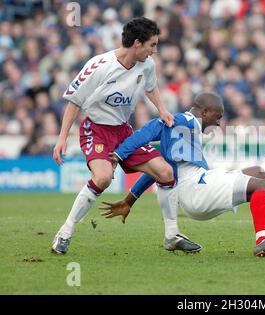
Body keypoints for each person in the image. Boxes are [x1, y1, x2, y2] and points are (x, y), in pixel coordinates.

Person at [101, 92, 265, 257]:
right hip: (197, 188)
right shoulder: (184, 120)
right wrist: (119, 154)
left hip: (195, 188)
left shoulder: (182, 134)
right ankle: (264, 239)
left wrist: (130, 199)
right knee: (262, 186)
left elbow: (157, 172)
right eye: (218, 116)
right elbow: (148, 130)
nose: (219, 122)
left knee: (259, 173)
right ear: (204, 112)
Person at [51, 17, 175, 254]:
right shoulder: (99, 65)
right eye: (152, 45)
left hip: (123, 131)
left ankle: (172, 236)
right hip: (96, 129)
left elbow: (150, 87)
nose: (155, 51)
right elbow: (74, 102)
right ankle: (65, 231)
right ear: (137, 43)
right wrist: (62, 138)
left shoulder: (146, 64)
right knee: (103, 178)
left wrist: (162, 110)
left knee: (166, 171)